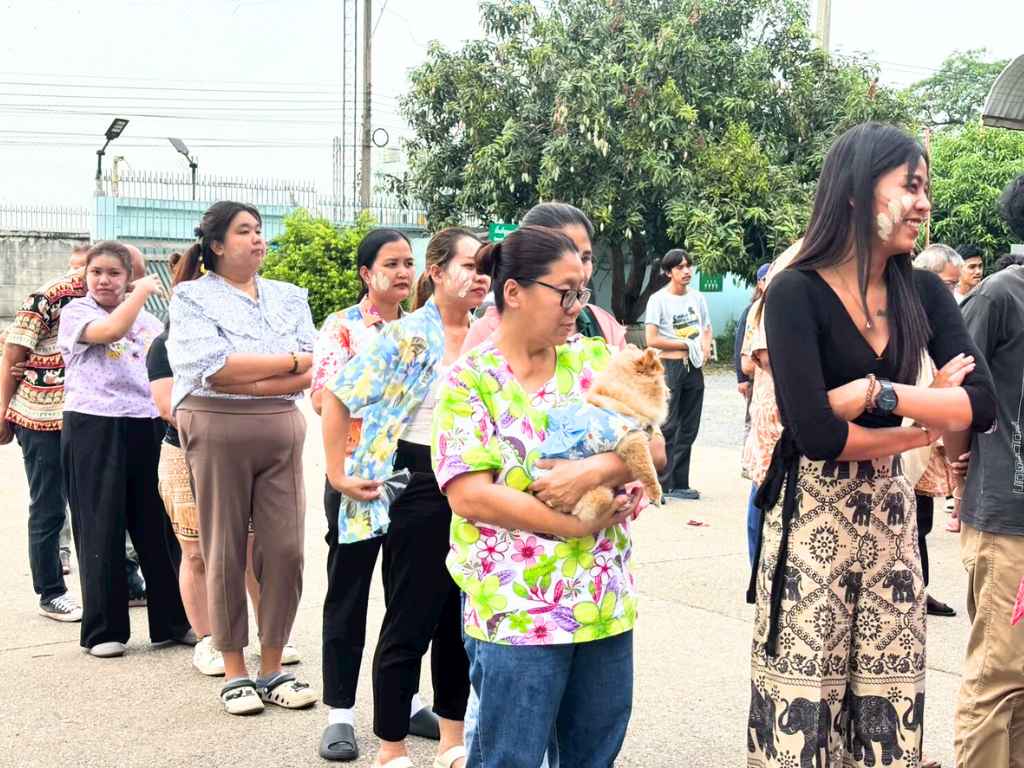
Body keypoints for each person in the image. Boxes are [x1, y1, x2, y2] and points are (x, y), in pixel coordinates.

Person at [749, 123, 996, 768]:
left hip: (890, 520)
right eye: (910, 186)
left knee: (887, 712)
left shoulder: (921, 291)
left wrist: (876, 394)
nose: (923, 203)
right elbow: (819, 436)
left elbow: (983, 404)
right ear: (859, 192)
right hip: (812, 528)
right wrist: (929, 414)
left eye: (926, 188)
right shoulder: (796, 290)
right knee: (806, 713)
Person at [435, 225, 665, 768]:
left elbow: (653, 446)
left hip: (602, 602)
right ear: (513, 292)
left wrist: (590, 473)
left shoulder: (590, 362)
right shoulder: (471, 381)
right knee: (509, 758)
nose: (576, 307)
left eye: (581, 292)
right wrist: (574, 524)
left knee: (592, 757)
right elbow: (470, 497)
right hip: (515, 611)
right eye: (566, 292)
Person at [322, 227, 485, 768]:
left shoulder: (493, 334)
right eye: (469, 264)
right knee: (411, 618)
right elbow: (339, 397)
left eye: (486, 266)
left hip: (480, 486)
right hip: (417, 483)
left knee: (460, 623)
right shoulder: (408, 334)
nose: (480, 275)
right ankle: (391, 747)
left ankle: (452, 740)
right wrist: (338, 472)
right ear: (435, 273)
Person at [168, 201, 318, 715]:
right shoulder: (191, 296)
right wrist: (283, 366)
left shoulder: (289, 296)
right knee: (224, 548)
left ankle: (273, 665)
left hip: (281, 426)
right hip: (215, 423)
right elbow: (209, 367)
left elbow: (314, 365)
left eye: (260, 230)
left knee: (285, 550)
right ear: (216, 245)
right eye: (245, 231)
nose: (258, 239)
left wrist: (256, 376)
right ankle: (235, 669)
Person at [313, 229, 440, 761]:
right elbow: (324, 398)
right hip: (359, 473)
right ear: (367, 273)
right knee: (349, 592)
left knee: (412, 595)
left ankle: (406, 702)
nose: (403, 272)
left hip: (416, 474)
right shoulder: (342, 327)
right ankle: (340, 714)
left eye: (410, 262)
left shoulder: (431, 327)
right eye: (391, 263)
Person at [57, 241, 191, 658]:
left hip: (146, 423)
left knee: (158, 526)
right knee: (101, 524)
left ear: (127, 277)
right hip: (93, 425)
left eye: (114, 273)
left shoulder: (149, 323)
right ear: (85, 277)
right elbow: (111, 331)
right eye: (96, 272)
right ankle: (104, 630)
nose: (103, 280)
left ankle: (173, 620)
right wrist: (140, 293)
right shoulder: (77, 313)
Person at [948, 172, 1024, 768]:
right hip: (1009, 522)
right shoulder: (1001, 294)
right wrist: (955, 464)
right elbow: (951, 390)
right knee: (999, 678)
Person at [0, 244, 90, 622]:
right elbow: (12, 350)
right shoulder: (52, 295)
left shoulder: (119, 300)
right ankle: (51, 592)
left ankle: (128, 582)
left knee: (100, 505)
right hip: (41, 417)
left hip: (88, 415)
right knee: (50, 507)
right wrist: (3, 414)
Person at [461, 202, 627, 354]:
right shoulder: (482, 349)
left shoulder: (602, 329)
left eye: (585, 258)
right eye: (564, 259)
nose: (580, 273)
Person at [740, 245, 802, 566]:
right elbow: (753, 360)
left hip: (790, 418)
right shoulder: (760, 310)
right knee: (762, 500)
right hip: (771, 418)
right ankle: (758, 568)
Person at [644, 249, 712, 500]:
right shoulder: (658, 300)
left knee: (689, 427)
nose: (687, 271)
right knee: (668, 426)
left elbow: (706, 327)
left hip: (693, 369)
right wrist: (686, 344)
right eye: (680, 267)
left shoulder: (697, 298)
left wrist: (704, 347)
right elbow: (651, 339)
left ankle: (679, 483)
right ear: (668, 272)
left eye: (689, 266)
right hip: (669, 367)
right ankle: (658, 485)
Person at [736, 264, 769, 472]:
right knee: (752, 419)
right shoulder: (752, 309)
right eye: (766, 279)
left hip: (767, 379)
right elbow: (741, 346)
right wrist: (742, 378)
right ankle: (748, 462)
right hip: (755, 377)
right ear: (759, 283)